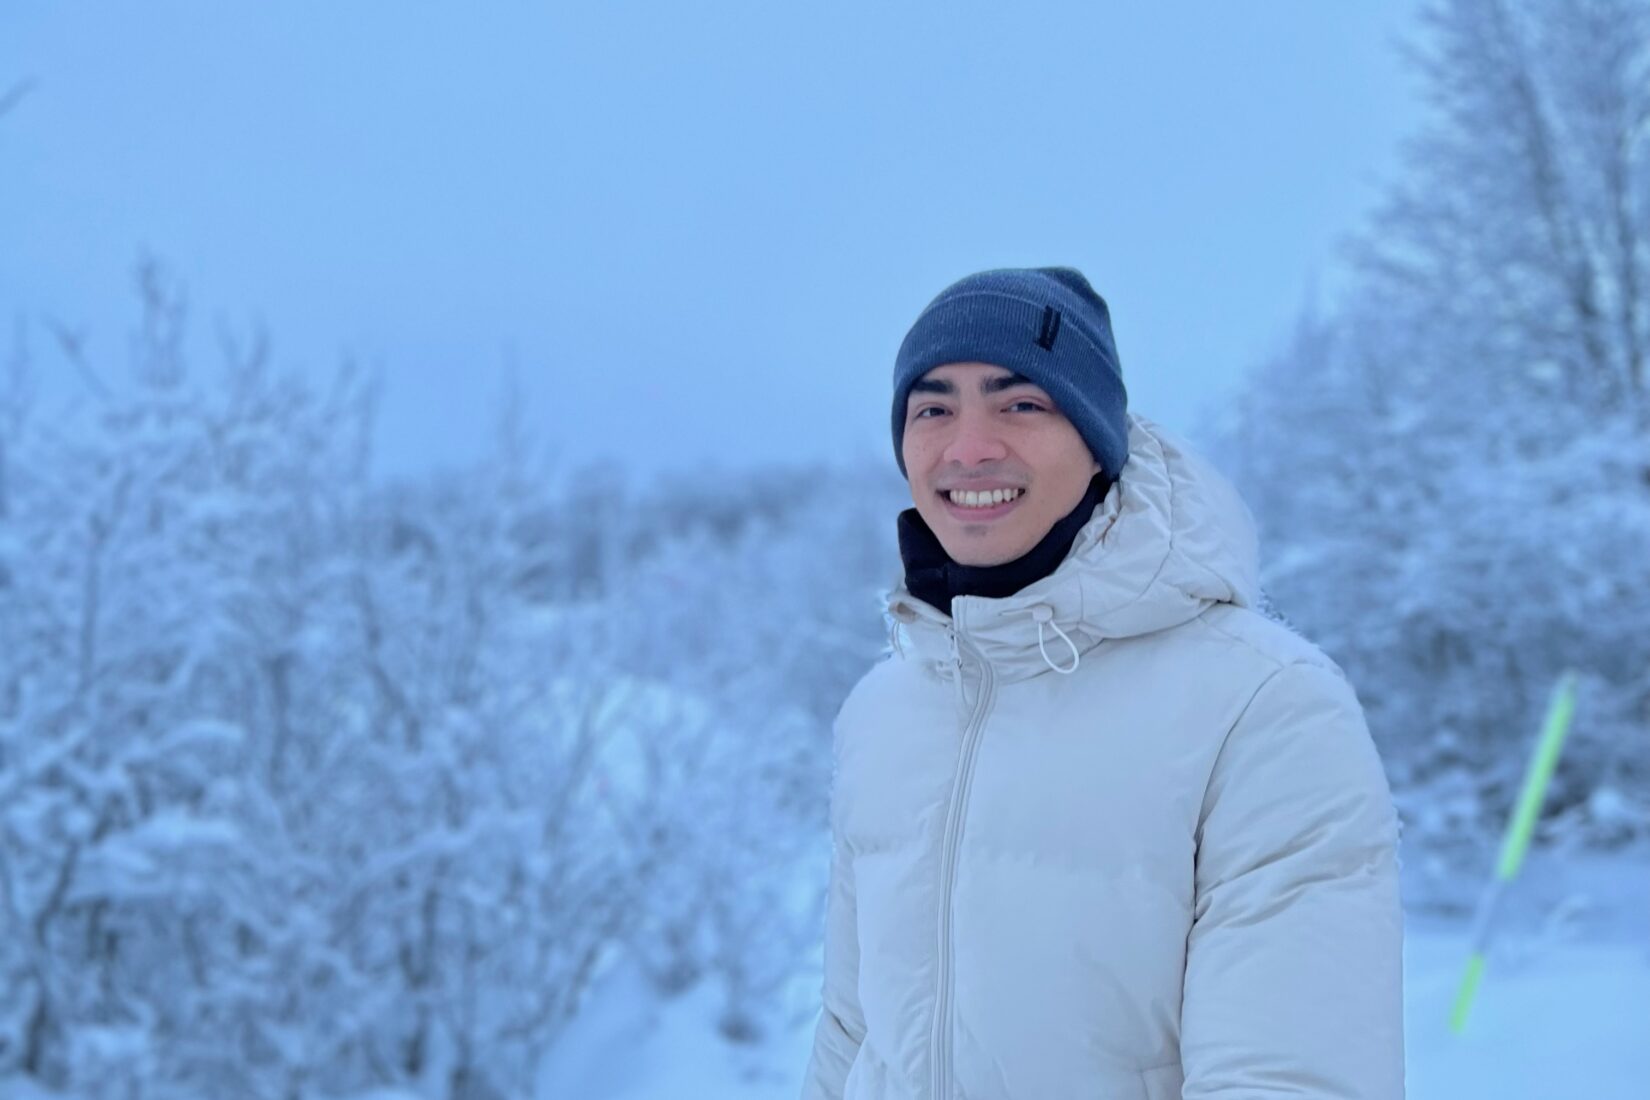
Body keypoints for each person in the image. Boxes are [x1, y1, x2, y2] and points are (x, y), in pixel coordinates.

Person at [800, 267, 1404, 1099]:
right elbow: (849, 1037)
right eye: (933, 408)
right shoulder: (885, 712)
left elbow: (1291, 1076)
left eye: (1022, 404)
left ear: (1097, 443)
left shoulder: (1262, 703)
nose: (969, 447)